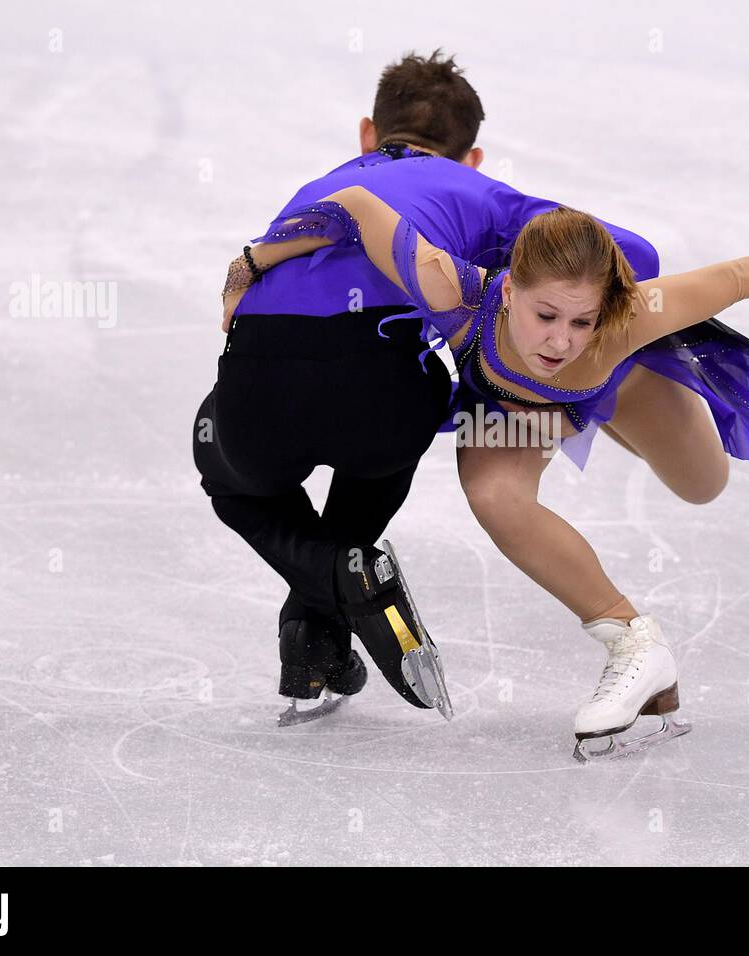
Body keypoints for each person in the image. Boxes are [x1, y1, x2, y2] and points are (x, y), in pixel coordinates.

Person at [232, 185, 749, 758]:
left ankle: (608, 416)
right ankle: (634, 644)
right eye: (546, 315)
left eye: (582, 322)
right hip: (511, 413)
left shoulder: (632, 317)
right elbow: (357, 206)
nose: (561, 340)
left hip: (621, 385)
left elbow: (741, 276)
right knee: (492, 493)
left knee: (703, 485)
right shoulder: (452, 289)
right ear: (508, 291)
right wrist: (253, 262)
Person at [194, 50, 660, 723]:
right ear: (470, 157)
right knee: (397, 411)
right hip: (379, 397)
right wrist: (506, 290)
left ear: (367, 134)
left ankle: (318, 617)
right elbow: (633, 255)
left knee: (221, 457)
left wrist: (249, 262)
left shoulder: (321, 183)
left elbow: (319, 235)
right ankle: (338, 578)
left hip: (260, 382)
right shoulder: (483, 194)